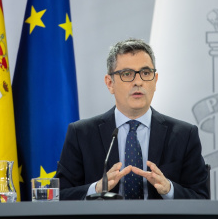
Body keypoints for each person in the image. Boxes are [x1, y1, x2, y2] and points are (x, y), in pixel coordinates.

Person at [56, 39, 209, 200]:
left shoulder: (184, 135)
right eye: (127, 74)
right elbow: (60, 195)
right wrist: (97, 188)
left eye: (145, 73)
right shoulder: (81, 134)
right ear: (110, 83)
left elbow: (202, 199)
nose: (138, 81)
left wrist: (168, 189)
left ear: (155, 81)